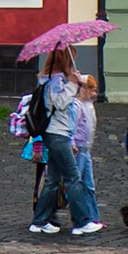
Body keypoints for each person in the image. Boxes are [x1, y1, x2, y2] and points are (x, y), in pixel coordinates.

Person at [28, 49, 84, 235]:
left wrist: (74, 85)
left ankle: (39, 221)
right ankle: (81, 222)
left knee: (52, 180)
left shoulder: (55, 78)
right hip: (57, 133)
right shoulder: (56, 79)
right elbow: (59, 103)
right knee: (73, 177)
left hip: (57, 133)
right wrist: (72, 85)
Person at [65, 73, 106, 235]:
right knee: (76, 183)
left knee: (89, 185)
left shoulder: (88, 105)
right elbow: (71, 127)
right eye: (92, 90)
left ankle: (93, 217)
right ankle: (81, 217)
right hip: (78, 149)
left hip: (86, 149)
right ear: (83, 89)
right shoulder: (76, 106)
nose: (94, 94)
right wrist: (72, 143)